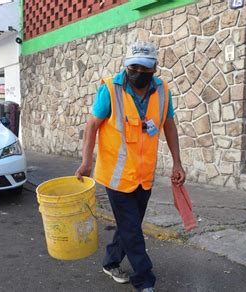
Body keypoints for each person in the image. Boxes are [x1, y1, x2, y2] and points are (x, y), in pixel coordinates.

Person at [75, 41, 185, 292]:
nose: (139, 71)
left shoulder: (163, 90)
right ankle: (145, 279)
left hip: (144, 176)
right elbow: (92, 125)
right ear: (126, 66)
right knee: (133, 229)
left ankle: (111, 261)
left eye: (145, 67)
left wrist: (177, 162)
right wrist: (86, 162)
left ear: (154, 68)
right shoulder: (110, 90)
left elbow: (168, 125)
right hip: (116, 176)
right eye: (134, 66)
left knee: (129, 225)